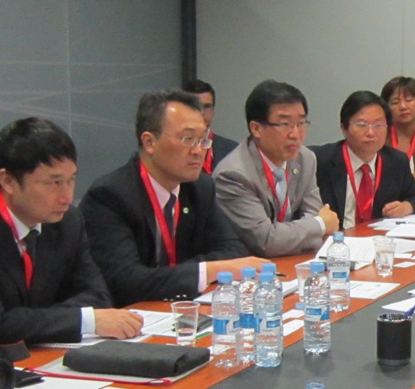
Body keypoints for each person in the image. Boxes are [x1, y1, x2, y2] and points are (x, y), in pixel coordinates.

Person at [0, 118, 141, 347]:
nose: (67, 197)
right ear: (8, 181)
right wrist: (83, 320)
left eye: (71, 180)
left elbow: (97, 296)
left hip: (38, 353)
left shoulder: (67, 222)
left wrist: (33, 322)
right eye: (54, 183)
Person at [80, 90, 259, 303]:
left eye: (203, 140)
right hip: (133, 315)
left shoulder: (200, 187)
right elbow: (124, 281)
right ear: (149, 142)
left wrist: (172, 276)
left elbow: (233, 249)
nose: (198, 151)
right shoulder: (110, 196)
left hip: (179, 307)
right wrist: (207, 270)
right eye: (187, 139)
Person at [212, 80, 338, 257]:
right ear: (256, 128)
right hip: (251, 267)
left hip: (293, 260)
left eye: (301, 123)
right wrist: (321, 225)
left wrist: (315, 228)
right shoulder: (233, 174)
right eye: (284, 124)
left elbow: (315, 218)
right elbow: (266, 242)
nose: (295, 134)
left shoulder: (305, 158)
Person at [310, 90, 415, 229]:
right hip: (335, 238)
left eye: (378, 125)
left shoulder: (396, 161)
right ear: (344, 128)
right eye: (362, 125)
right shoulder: (319, 160)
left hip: (376, 238)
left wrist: (407, 207)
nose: (371, 133)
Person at [180, 79, 238, 173]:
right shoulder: (174, 147)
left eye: (207, 106)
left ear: (213, 111)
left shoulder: (233, 150)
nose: (202, 112)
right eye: (196, 106)